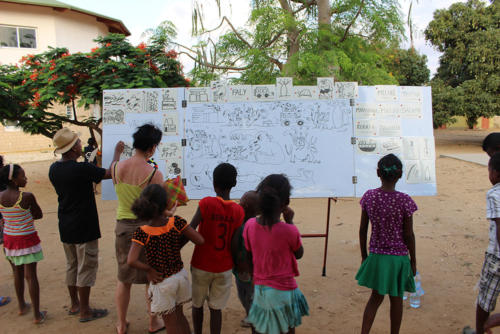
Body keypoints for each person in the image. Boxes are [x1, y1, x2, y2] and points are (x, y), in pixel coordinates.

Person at [49, 127, 123, 323]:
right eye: (78, 143)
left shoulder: (54, 169)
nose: (81, 145)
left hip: (66, 224)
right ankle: (85, 311)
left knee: (72, 266)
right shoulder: (81, 169)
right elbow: (110, 173)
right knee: (85, 268)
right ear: (73, 149)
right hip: (84, 225)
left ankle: (75, 304)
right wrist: (116, 153)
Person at [127, 184, 204, 334]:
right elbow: (200, 240)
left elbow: (131, 260)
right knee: (180, 316)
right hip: (180, 276)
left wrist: (149, 269)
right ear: (165, 204)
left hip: (162, 281)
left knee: (170, 323)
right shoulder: (176, 222)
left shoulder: (142, 232)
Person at [111, 123, 165, 334]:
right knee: (150, 278)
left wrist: (116, 152)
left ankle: (122, 324)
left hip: (122, 227)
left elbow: (113, 163)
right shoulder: (153, 174)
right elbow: (159, 208)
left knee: (123, 279)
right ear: (152, 147)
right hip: (147, 229)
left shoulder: (116, 168)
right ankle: (153, 322)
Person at [355, 154, 417, 334]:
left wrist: (364, 257)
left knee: (375, 298)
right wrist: (413, 261)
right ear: (400, 175)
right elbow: (409, 235)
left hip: (377, 257)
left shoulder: (369, 197)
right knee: (397, 299)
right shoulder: (405, 201)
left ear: (377, 173)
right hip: (398, 259)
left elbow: (362, 230)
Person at [243, 174, 309, 334]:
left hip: (260, 290)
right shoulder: (289, 230)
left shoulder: (250, 226)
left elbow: (248, 255)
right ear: (285, 203)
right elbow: (299, 253)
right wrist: (290, 221)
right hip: (284, 292)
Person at [190, 163, 245, 334]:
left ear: (213, 183)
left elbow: (190, 228)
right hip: (224, 267)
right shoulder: (238, 211)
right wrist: (237, 265)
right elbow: (236, 243)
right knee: (216, 309)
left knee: (197, 305)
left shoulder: (206, 203)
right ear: (234, 184)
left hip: (201, 265)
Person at [0, 164, 46, 323]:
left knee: (17, 274)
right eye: (22, 176)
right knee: (31, 276)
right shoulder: (26, 196)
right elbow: (38, 214)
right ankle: (36, 315)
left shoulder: (0, 196)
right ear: (13, 180)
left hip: (10, 240)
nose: (25, 178)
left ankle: (21, 306)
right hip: (27, 239)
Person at [231, 190, 259, 327]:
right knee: (244, 293)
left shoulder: (249, 226)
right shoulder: (242, 222)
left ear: (246, 207)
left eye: (241, 201)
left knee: (247, 295)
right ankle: (251, 314)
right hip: (241, 269)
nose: (238, 203)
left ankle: (252, 316)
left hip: (246, 268)